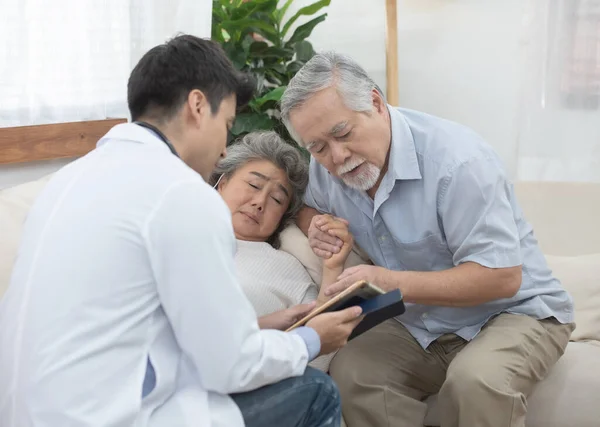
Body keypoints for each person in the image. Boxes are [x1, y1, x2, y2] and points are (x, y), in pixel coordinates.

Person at [0, 36, 364, 427]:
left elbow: (139, 330)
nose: (223, 150)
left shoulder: (67, 182)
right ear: (197, 106)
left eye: (276, 199)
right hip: (108, 415)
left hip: (26, 411)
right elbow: (229, 366)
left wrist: (256, 329)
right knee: (316, 391)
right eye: (226, 126)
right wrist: (310, 340)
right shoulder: (181, 194)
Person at [280, 51, 575, 427]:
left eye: (343, 133)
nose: (337, 156)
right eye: (318, 147)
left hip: (515, 312)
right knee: (353, 375)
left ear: (375, 103)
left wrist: (392, 283)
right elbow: (304, 206)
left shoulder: (458, 162)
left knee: (476, 382)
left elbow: (502, 277)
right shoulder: (324, 171)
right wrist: (317, 224)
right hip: (421, 321)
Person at [211, 130, 355, 371]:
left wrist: (332, 268)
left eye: (277, 199)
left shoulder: (284, 267)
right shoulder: (180, 233)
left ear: (283, 217)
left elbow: (318, 359)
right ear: (222, 184)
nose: (260, 202)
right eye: (253, 184)